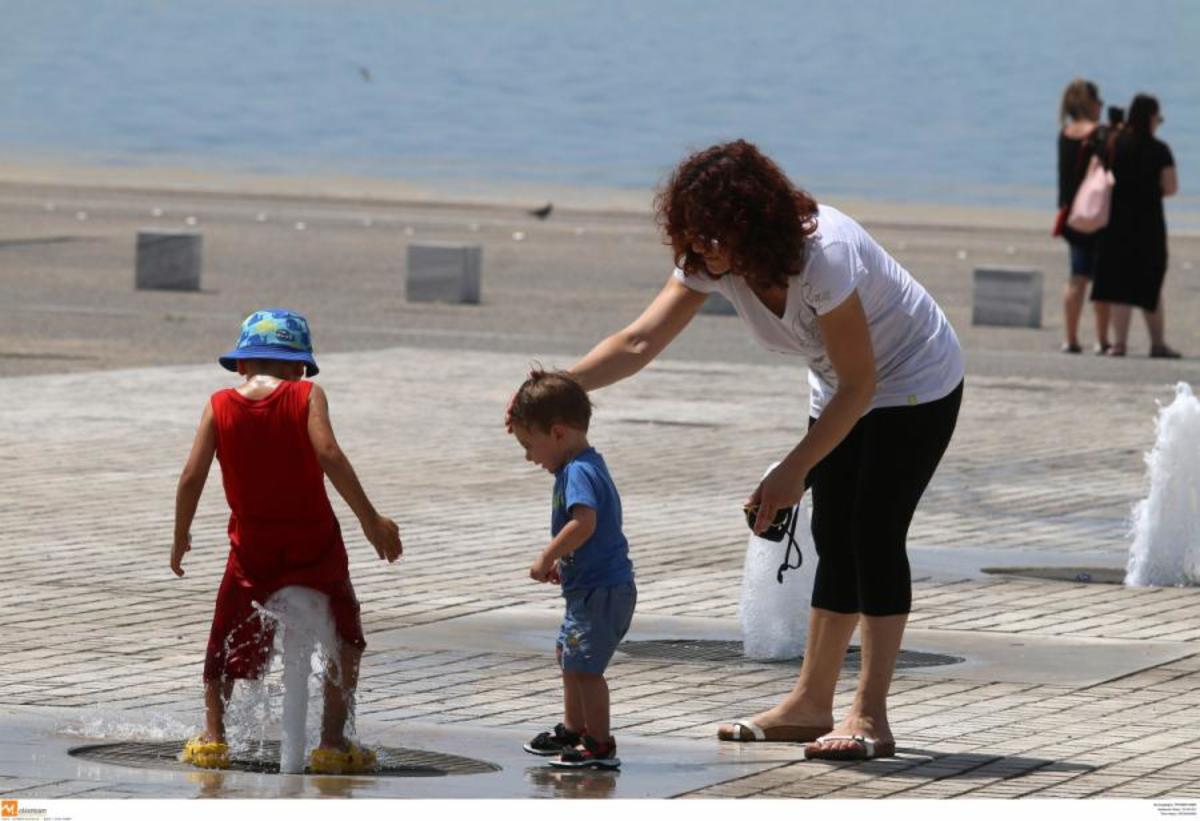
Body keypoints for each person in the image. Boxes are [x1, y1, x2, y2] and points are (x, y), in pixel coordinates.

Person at [517, 140, 964, 761]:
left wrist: (792, 468)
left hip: (914, 382)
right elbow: (641, 340)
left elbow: (864, 384)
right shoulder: (712, 258)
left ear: (752, 221)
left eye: (713, 236)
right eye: (693, 237)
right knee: (834, 535)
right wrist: (552, 396)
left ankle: (870, 715)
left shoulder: (823, 255)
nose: (701, 251)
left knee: (874, 533)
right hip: (841, 385)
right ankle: (811, 703)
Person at [170, 309, 402, 772]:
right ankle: (332, 745)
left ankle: (214, 738)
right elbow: (329, 454)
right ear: (299, 367)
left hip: (252, 546)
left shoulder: (218, 404)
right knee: (344, 633)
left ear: (241, 365)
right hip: (314, 542)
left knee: (226, 636)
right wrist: (370, 518)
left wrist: (180, 536)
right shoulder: (307, 395)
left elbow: (191, 475)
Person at [510, 370, 636, 770]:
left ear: (558, 433)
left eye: (530, 446)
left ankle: (598, 743)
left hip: (603, 591)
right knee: (570, 657)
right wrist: (569, 564)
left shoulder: (579, 471)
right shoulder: (581, 464)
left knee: (586, 668)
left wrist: (548, 556)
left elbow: (584, 523)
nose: (530, 457)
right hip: (592, 587)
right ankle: (573, 727)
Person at [1092, 94, 1181, 358]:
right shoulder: (1159, 149)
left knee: (1120, 286)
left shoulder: (1115, 143)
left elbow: (1097, 169)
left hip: (1117, 224)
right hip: (1148, 225)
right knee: (1150, 284)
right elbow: (1171, 187)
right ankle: (1157, 343)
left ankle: (1119, 344)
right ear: (1151, 118)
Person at [1056, 78, 1112, 354]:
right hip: (1099, 216)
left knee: (1076, 276)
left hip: (1073, 216)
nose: (1101, 105)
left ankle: (1071, 337)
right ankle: (1102, 339)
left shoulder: (1065, 133)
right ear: (1088, 103)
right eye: (1097, 100)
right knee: (1101, 279)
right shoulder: (1100, 134)